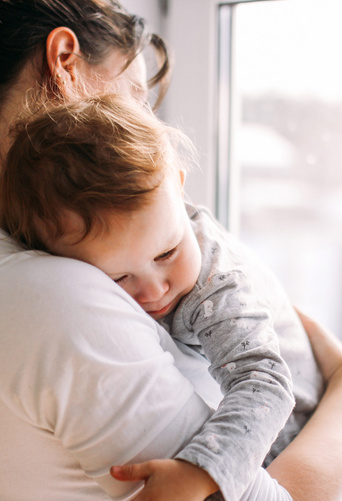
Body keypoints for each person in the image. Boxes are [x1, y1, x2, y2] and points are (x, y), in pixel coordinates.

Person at [0, 1, 342, 501]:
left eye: (164, 254)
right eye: (136, 98)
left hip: (289, 424)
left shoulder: (205, 273)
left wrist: (202, 468)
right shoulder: (53, 281)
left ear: (178, 185)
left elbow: (266, 382)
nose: (154, 287)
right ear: (64, 63)